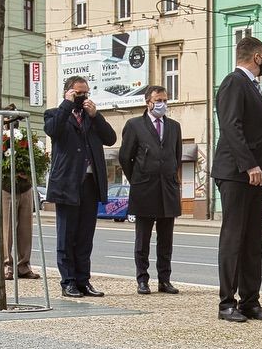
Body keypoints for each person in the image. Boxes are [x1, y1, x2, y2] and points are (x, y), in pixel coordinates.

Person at [213, 36, 262, 322]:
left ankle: (250, 301)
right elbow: (231, 126)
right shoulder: (234, 82)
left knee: (253, 241)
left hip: (256, 175)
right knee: (234, 238)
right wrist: (249, 164)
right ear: (257, 57)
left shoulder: (252, 87)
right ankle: (227, 303)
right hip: (237, 173)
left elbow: (257, 131)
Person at [45, 75, 115, 297]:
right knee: (66, 236)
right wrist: (66, 104)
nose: (82, 97)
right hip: (67, 184)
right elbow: (52, 130)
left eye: (85, 93)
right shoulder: (55, 114)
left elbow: (111, 138)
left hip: (90, 184)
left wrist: (96, 115)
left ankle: (84, 281)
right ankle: (68, 281)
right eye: (78, 93)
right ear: (68, 92)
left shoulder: (91, 118)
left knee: (85, 237)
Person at [118, 85, 182, 295]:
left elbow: (176, 156)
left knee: (166, 240)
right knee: (143, 239)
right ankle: (142, 279)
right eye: (158, 100)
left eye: (165, 100)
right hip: (144, 189)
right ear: (148, 102)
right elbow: (125, 157)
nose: (162, 104)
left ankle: (165, 280)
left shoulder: (174, 127)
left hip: (168, 189)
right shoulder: (135, 125)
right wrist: (137, 178)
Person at [0, 111, 39, 281]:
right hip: (7, 188)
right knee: (7, 229)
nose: (12, 123)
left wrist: (28, 173)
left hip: (25, 187)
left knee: (26, 229)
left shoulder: (25, 138)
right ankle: (7, 265)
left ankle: (23, 265)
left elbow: (35, 160)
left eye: (15, 119)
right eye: (9, 120)